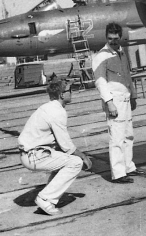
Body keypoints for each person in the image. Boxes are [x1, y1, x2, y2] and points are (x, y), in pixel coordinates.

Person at [18, 80, 92, 215]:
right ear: (62, 95)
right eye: (70, 90)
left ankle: (49, 196)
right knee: (76, 162)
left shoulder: (49, 107)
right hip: (34, 155)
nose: (72, 93)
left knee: (66, 159)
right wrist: (83, 156)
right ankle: (45, 199)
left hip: (31, 154)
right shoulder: (57, 112)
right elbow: (66, 145)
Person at [92, 22, 145, 183]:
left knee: (128, 135)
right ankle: (118, 173)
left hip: (126, 100)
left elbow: (128, 77)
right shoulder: (101, 56)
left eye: (116, 38)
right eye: (110, 38)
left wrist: (133, 96)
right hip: (114, 102)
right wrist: (109, 103)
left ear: (120, 37)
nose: (113, 41)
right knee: (116, 138)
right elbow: (100, 81)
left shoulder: (121, 53)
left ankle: (128, 166)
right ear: (106, 37)